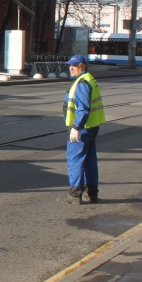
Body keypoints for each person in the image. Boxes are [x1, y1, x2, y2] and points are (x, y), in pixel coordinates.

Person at [60, 54, 105, 205]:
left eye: (74, 66)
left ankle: (75, 194)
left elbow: (83, 109)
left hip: (82, 128)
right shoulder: (89, 79)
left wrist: (75, 127)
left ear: (82, 67)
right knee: (90, 160)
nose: (71, 68)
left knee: (75, 159)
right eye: (70, 65)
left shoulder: (82, 83)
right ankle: (92, 193)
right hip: (91, 127)